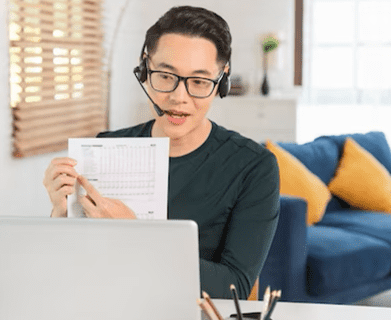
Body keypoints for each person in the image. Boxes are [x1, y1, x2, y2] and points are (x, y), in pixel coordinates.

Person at [43, 5, 280, 299]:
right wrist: (60, 213)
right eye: (166, 76)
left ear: (222, 80)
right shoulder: (106, 149)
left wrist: (135, 234)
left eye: (199, 82)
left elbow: (234, 288)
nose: (179, 98)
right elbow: (68, 270)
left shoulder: (254, 167)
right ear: (144, 70)